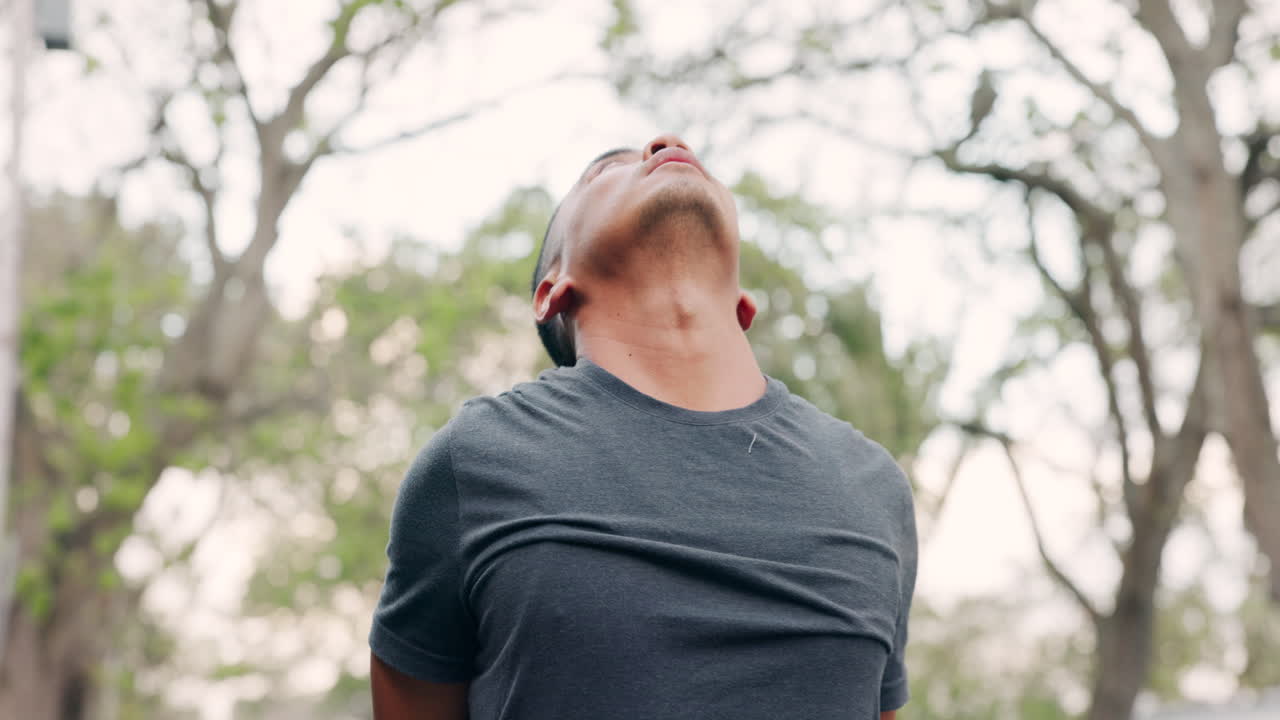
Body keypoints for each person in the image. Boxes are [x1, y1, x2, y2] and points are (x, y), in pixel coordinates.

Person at [368, 134, 917, 720]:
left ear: (744, 304)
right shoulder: (474, 462)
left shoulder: (873, 487)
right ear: (553, 290)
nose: (666, 143)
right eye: (607, 170)